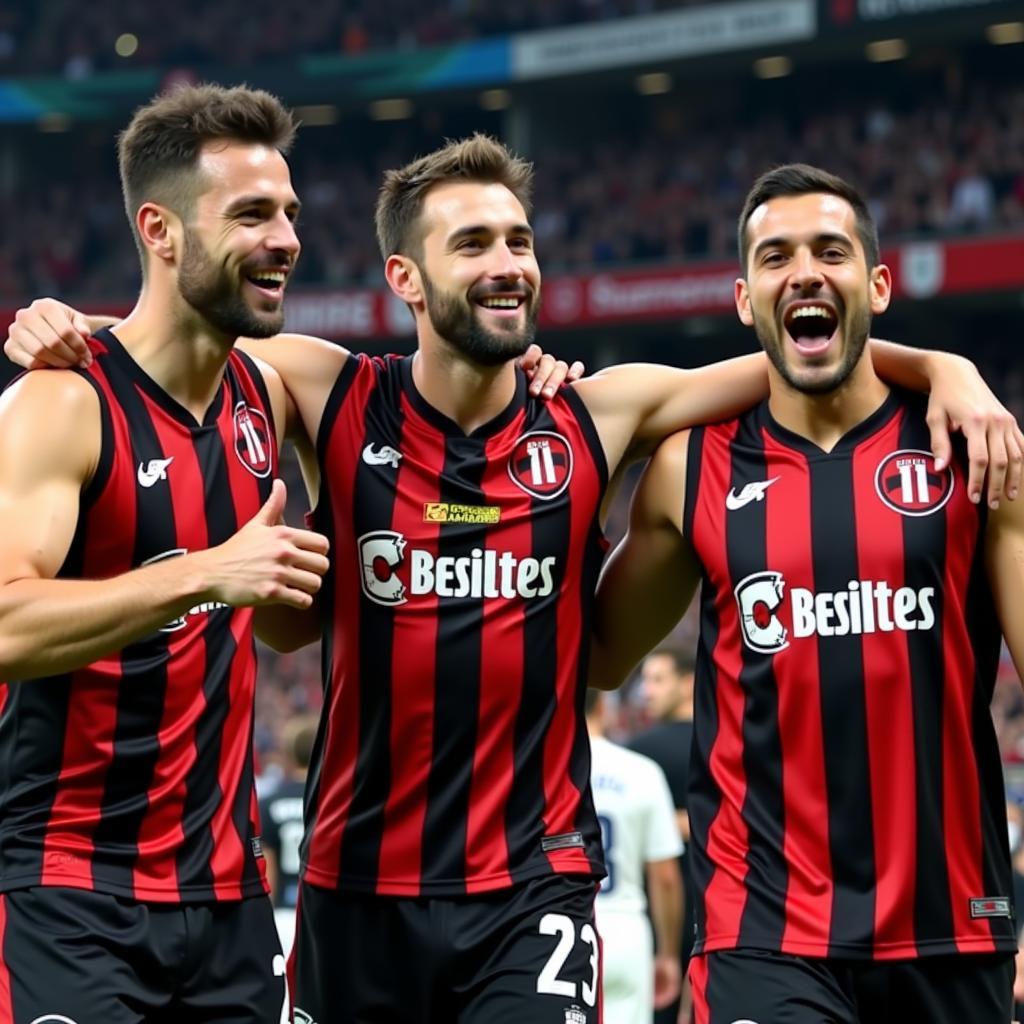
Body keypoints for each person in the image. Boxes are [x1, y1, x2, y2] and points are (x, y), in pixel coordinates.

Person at [7, 138, 1024, 1023]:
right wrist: (71, 327)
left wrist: (943, 368)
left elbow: (803, 350)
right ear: (403, 278)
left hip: (532, 886)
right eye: (474, 245)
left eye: (520, 242)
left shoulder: (597, 415)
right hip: (350, 885)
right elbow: (183, 336)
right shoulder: (322, 392)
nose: (507, 265)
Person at [590, 163, 1024, 1023]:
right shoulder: (688, 470)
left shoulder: (976, 452)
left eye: (830, 250)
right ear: (747, 300)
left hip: (953, 925)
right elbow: (599, 655)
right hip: (761, 931)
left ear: (877, 284)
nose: (805, 273)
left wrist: (953, 370)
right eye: (777, 256)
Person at [0, 84, 334, 1023]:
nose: (287, 239)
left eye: (291, 213)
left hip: (227, 904)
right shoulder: (61, 402)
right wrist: (205, 572)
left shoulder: (262, 398)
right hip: (67, 889)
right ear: (161, 229)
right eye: (252, 214)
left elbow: (273, 629)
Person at [586, 688, 684, 1024]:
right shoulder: (641, 771)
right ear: (603, 706)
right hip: (624, 928)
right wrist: (669, 952)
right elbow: (665, 876)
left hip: (565, 925)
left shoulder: (543, 770)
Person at [629, 647, 697, 1023]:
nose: (646, 690)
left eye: (657, 680)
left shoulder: (637, 755)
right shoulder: (727, 744)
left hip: (659, 910)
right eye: (644, 680)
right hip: (702, 908)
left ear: (688, 683)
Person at [259, 715, 318, 956]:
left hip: (283, 913)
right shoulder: (329, 803)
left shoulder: (270, 803)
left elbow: (268, 869)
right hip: (318, 912)